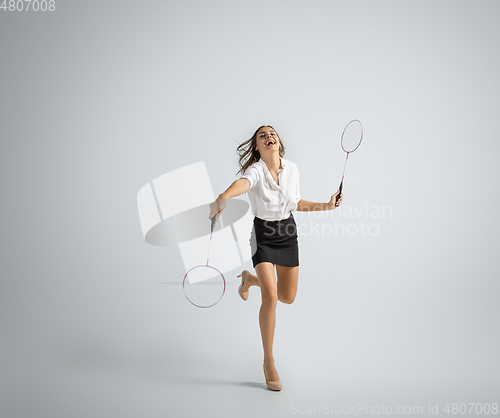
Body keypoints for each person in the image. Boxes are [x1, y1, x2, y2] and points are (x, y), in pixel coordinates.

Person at [209, 125, 343, 391]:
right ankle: (268, 361)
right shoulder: (256, 170)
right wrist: (224, 196)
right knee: (271, 297)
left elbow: (296, 203)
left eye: (272, 133)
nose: (269, 136)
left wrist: (327, 205)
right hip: (263, 234)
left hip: (287, 232)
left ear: (279, 142)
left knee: (287, 296)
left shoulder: (291, 169)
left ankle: (250, 279)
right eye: (262, 135)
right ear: (257, 147)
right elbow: (243, 184)